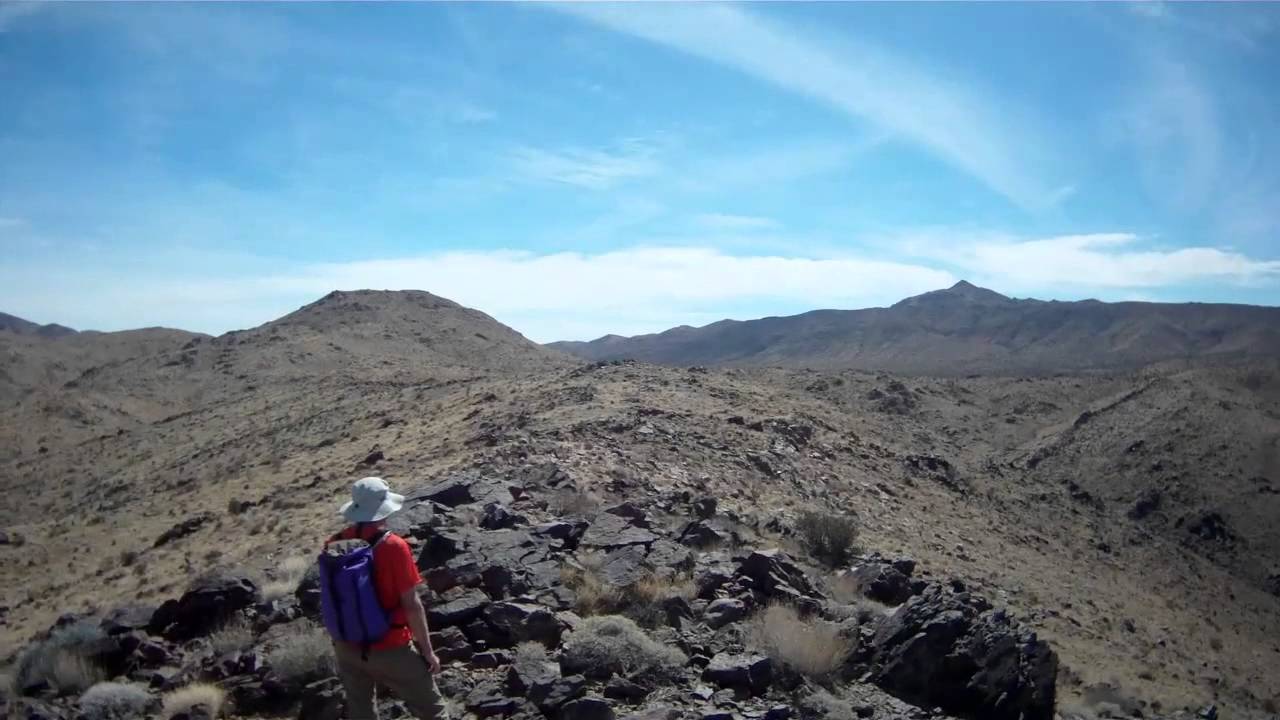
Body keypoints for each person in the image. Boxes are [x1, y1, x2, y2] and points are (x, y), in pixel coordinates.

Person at [325, 476, 447, 720]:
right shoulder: (394, 546)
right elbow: (412, 605)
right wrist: (427, 652)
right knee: (434, 711)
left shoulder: (334, 543)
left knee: (362, 712)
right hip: (391, 646)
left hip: (346, 646)